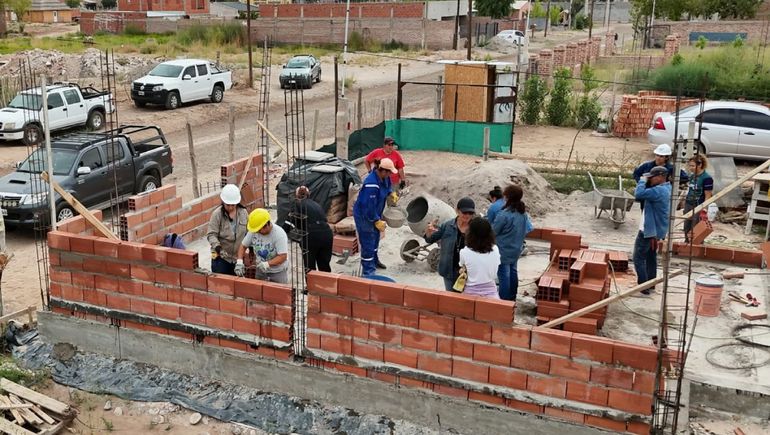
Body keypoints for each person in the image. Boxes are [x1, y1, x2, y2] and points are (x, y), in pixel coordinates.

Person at [353, 157, 398, 275]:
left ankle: (374, 260)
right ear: (382, 170)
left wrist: (391, 193)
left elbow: (387, 186)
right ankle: (368, 270)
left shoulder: (384, 178)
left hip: (375, 213)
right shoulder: (371, 185)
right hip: (364, 216)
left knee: (376, 238)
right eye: (389, 172)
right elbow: (368, 207)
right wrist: (376, 220)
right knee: (368, 241)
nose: (389, 175)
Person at [633, 166, 672, 295]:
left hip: (649, 230)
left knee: (638, 257)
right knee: (651, 257)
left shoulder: (658, 191)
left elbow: (638, 194)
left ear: (661, 177)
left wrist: (643, 180)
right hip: (657, 230)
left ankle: (643, 287)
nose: (650, 179)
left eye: (652, 177)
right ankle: (651, 283)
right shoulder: (668, 188)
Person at [425, 197, 475, 291]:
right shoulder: (447, 226)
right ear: (457, 211)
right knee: (450, 299)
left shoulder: (476, 228)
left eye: (470, 213)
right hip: (449, 270)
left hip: (468, 272)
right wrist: (428, 232)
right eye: (464, 212)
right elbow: (430, 239)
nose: (467, 215)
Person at [492, 185, 533, 301]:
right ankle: (512, 297)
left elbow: (494, 231)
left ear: (507, 197)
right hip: (516, 248)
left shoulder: (504, 215)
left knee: (504, 275)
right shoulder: (523, 214)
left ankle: (504, 300)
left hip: (503, 249)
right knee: (513, 272)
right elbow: (528, 229)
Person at [235, 208, 290, 283]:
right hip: (260, 270)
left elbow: (282, 256)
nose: (257, 232)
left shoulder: (279, 234)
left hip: (277, 272)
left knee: (278, 292)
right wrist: (239, 262)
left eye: (259, 230)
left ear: (267, 225)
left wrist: (267, 264)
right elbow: (243, 246)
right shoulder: (254, 231)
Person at [287, 186, 333, 272]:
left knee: (310, 267)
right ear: (309, 194)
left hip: (311, 236)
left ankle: (312, 285)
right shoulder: (316, 205)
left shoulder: (298, 205)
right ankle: (327, 284)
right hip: (327, 233)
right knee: (324, 266)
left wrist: (280, 233)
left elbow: (289, 223)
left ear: (296, 195)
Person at [207, 184, 248, 275]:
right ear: (223, 202)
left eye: (233, 205)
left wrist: (250, 250)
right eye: (228, 205)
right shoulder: (217, 215)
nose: (230, 207)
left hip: (238, 258)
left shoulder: (243, 213)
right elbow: (211, 235)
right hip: (221, 259)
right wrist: (219, 248)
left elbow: (248, 233)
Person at [633, 144, 687, 209]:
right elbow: (636, 174)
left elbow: (685, 178)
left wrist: (672, 181)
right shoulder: (646, 166)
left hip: (662, 196)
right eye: (657, 155)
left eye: (661, 156)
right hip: (648, 194)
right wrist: (643, 182)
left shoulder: (671, 168)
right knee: (646, 213)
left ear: (666, 157)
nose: (658, 158)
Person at [459, 217, 501, 299]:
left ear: (470, 233)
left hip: (470, 293)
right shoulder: (495, 249)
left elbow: (462, 267)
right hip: (492, 293)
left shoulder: (464, 252)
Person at [683, 155, 714, 241]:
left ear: (700, 165)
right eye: (690, 165)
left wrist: (704, 209)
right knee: (686, 226)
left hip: (698, 205)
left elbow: (708, 195)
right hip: (688, 203)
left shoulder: (707, 178)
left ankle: (696, 245)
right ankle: (686, 243)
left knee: (695, 227)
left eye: (693, 166)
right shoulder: (693, 176)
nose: (690, 168)